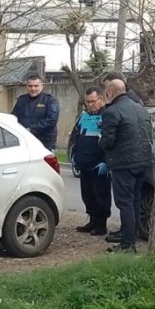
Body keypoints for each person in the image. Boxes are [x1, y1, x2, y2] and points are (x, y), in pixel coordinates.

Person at [99, 78, 154, 252]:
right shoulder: (141, 109)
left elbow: (108, 141)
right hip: (143, 162)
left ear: (109, 93)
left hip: (123, 164)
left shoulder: (112, 111)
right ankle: (130, 236)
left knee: (125, 203)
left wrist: (100, 142)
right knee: (135, 201)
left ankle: (128, 244)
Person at [69, 87, 112, 236]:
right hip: (84, 162)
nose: (90, 104)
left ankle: (101, 224)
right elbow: (76, 136)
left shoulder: (107, 115)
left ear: (101, 99)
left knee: (101, 195)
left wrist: (107, 162)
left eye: (93, 101)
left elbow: (111, 140)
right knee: (87, 194)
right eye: (88, 102)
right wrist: (74, 155)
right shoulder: (84, 116)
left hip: (99, 163)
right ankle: (92, 220)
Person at [11, 74, 60, 151]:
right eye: (30, 86)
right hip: (25, 141)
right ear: (26, 86)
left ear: (41, 86)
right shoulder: (21, 100)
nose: (33, 89)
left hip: (45, 143)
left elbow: (52, 120)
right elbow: (13, 118)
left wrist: (31, 129)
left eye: (36, 86)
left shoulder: (50, 100)